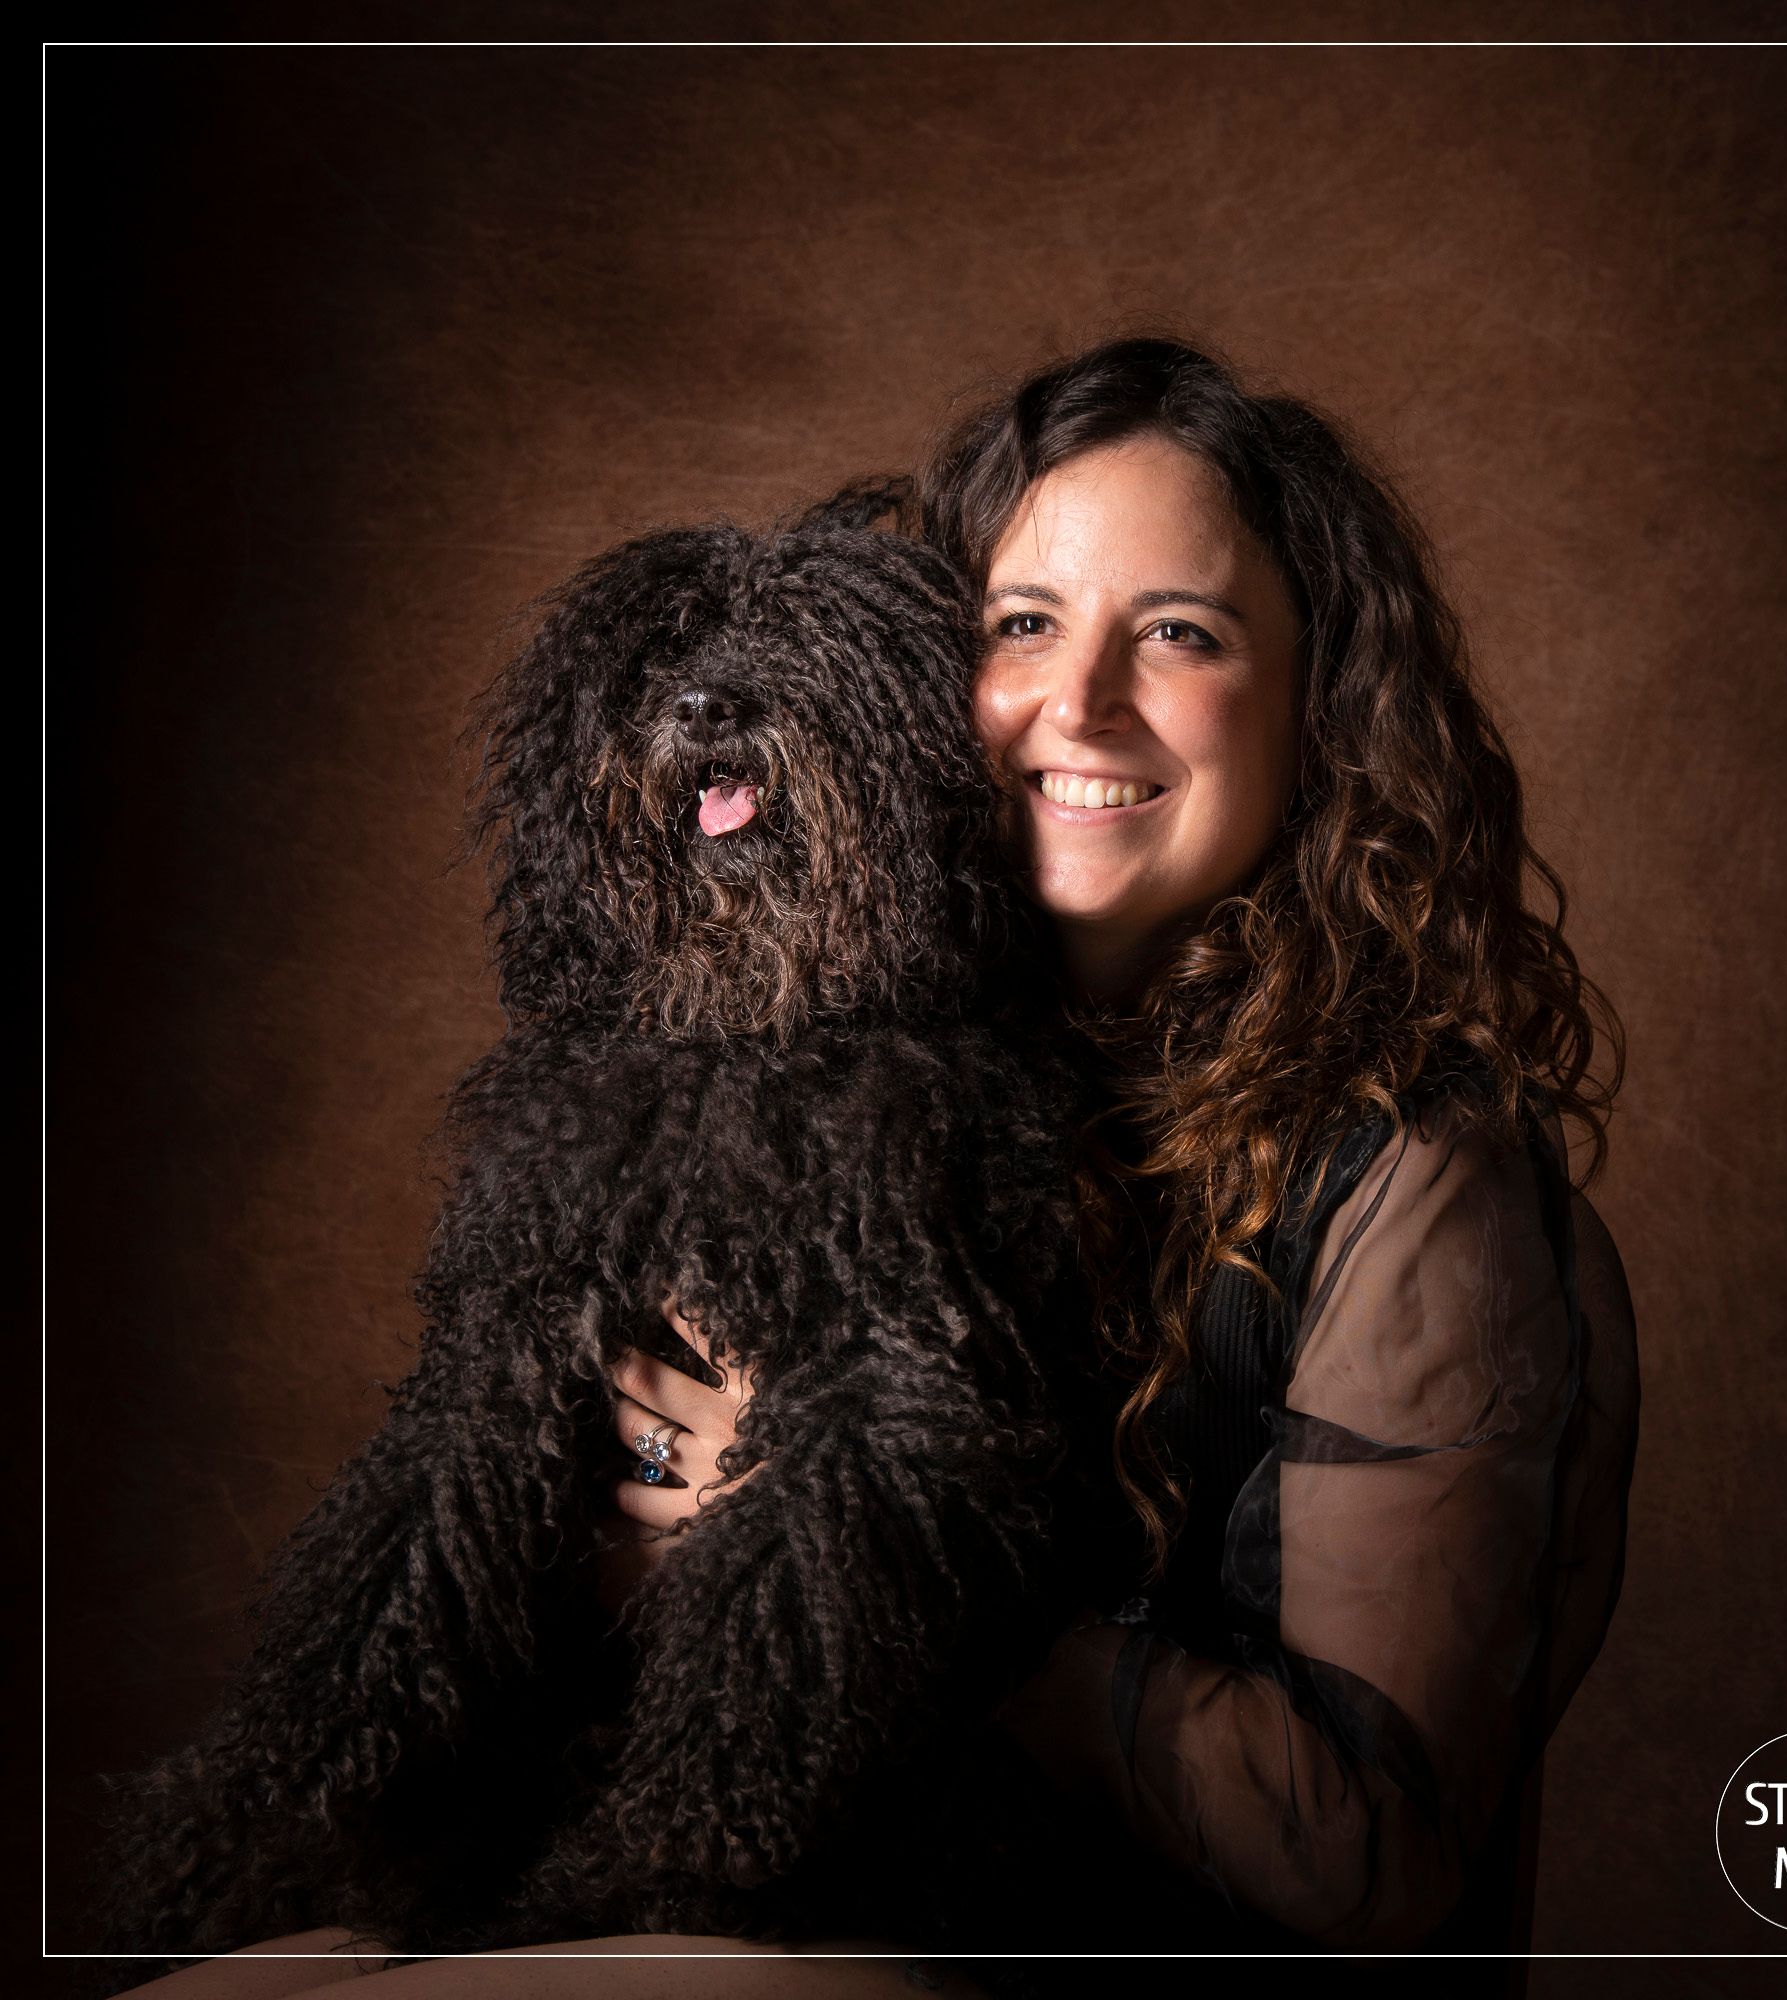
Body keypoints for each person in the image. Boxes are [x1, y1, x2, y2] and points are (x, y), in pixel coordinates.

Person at [112, 335, 1638, 1992]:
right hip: (801, 1891)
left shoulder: (1417, 1180)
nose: (1080, 702)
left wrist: (860, 1552)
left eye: (1180, 634)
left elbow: (1373, 1852)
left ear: (1316, 699)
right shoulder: (850, 1068)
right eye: (1021, 627)